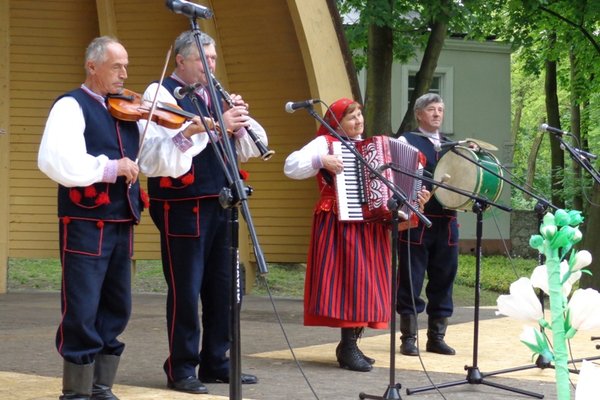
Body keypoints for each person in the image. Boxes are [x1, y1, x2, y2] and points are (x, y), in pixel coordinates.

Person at [38, 36, 207, 400]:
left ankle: (101, 386)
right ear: (92, 66)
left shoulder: (128, 110)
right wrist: (109, 168)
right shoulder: (71, 105)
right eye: (117, 66)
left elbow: (150, 159)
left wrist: (185, 136)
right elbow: (55, 159)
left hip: (121, 219)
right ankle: (76, 392)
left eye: (126, 66)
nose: (124, 74)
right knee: (82, 306)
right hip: (84, 220)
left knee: (117, 305)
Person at [142, 31, 267, 394]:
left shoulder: (214, 97)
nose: (210, 66)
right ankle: (181, 367)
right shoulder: (160, 93)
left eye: (212, 59)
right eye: (203, 60)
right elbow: (158, 155)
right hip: (182, 204)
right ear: (180, 60)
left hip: (221, 202)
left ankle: (217, 360)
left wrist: (240, 123)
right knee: (186, 288)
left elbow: (252, 150)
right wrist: (214, 129)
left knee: (224, 287)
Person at [284, 98, 430, 372]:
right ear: (337, 121)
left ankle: (352, 344)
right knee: (349, 283)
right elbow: (290, 166)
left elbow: (393, 190)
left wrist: (415, 199)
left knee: (368, 283)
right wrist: (321, 159)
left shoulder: (373, 149)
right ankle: (347, 347)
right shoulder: (326, 143)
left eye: (360, 115)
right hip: (339, 222)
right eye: (351, 117)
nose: (359, 121)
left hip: (370, 226)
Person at [396, 93, 458, 357]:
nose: (437, 114)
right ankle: (408, 338)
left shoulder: (455, 146)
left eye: (440, 110)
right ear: (419, 114)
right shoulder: (405, 141)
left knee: (444, 278)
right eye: (431, 109)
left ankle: (436, 337)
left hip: (447, 222)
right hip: (415, 220)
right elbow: (396, 177)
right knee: (411, 278)